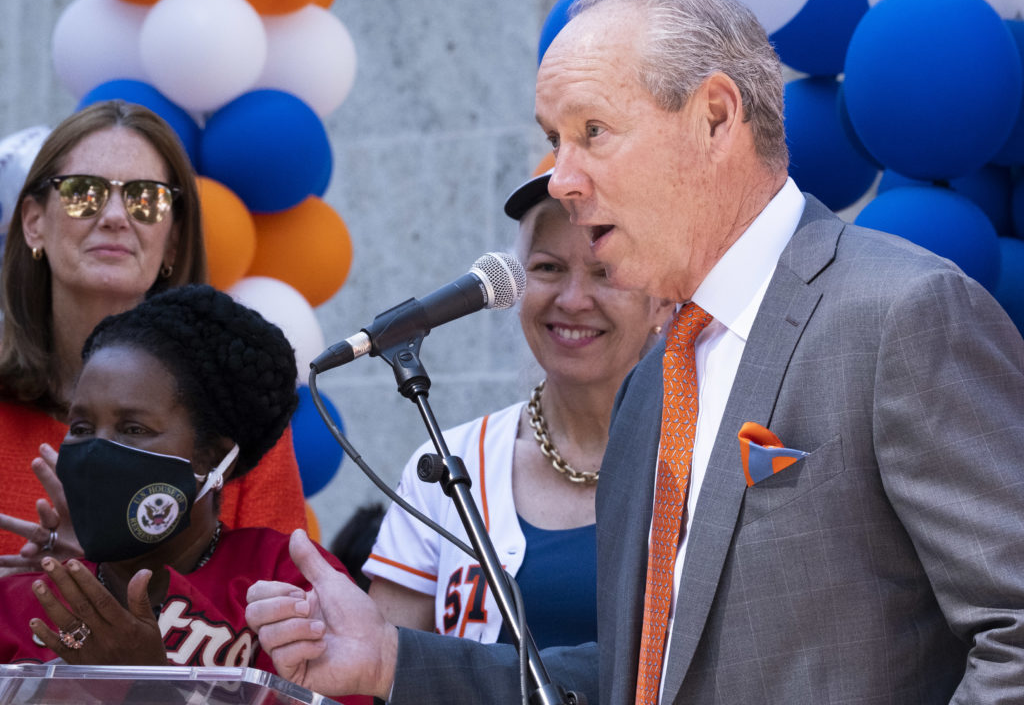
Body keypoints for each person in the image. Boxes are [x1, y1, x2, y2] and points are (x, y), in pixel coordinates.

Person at [245, 0, 1024, 704]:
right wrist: (395, 659)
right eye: (556, 138)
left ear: (716, 117)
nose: (561, 178)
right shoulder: (657, 379)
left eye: (593, 131)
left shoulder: (902, 314)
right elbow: (641, 677)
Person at [0, 284, 367, 703]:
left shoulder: (286, 583)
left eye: (133, 429)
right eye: (81, 429)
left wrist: (145, 687)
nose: (97, 451)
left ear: (212, 459)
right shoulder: (21, 603)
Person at [362, 175, 671, 646]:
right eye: (548, 268)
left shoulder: (702, 456)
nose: (572, 300)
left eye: (604, 271)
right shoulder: (447, 461)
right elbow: (385, 666)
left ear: (662, 302)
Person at [0, 100, 306, 568]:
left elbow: (283, 604)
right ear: (33, 222)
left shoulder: (234, 411)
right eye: (85, 192)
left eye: (146, 198)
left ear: (174, 239)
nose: (117, 216)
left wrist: (111, 576)